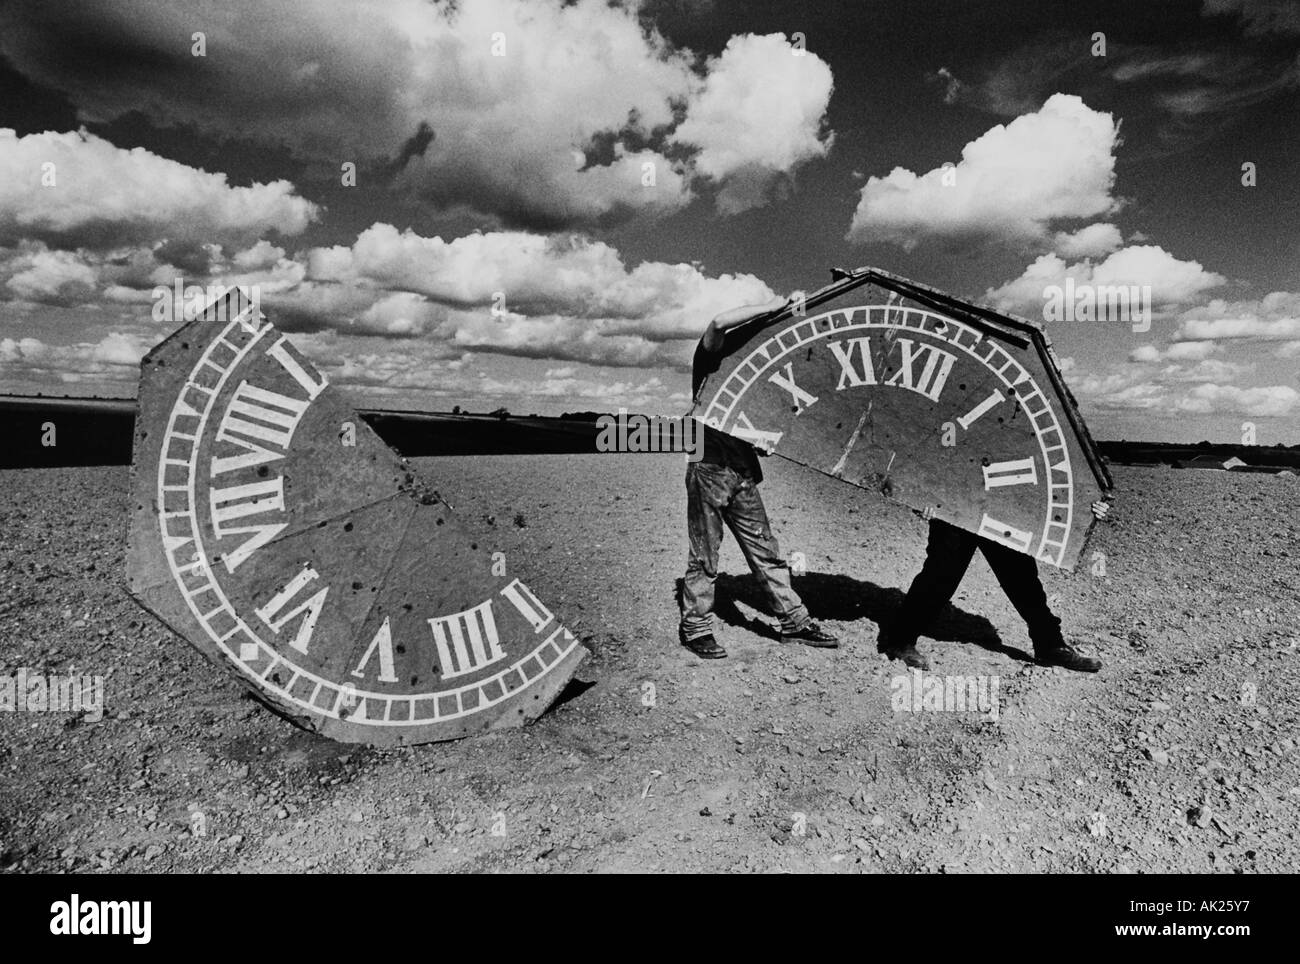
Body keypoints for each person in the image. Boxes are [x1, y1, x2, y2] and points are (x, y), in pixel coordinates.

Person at [679, 295, 839, 659]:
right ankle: (695, 628)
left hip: (742, 472)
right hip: (708, 469)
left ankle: (794, 622)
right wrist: (777, 306)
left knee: (766, 552)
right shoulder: (712, 358)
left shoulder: (758, 374)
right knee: (705, 556)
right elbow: (719, 321)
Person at [878, 500, 1111, 672]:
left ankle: (1050, 645)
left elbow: (1059, 460)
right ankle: (900, 640)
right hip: (956, 501)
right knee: (940, 575)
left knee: (1023, 580)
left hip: (1004, 507)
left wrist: (1086, 502)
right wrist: (923, 493)